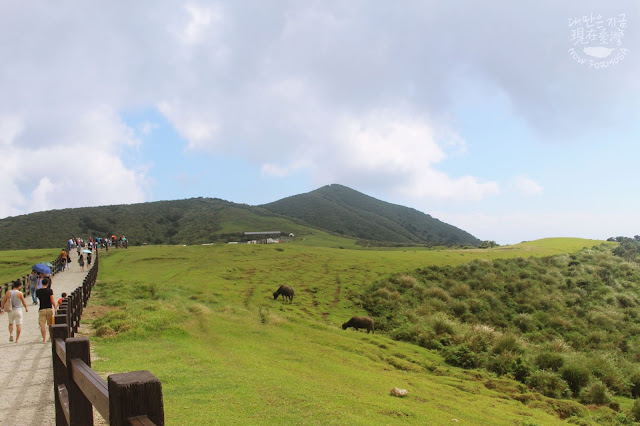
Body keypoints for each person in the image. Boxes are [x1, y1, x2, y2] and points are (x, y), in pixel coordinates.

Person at [36, 277, 56, 343]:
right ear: (47, 283)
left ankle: (44, 339)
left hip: (42, 309)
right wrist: (55, 306)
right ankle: (50, 337)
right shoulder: (50, 291)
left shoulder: (38, 291)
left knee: (42, 325)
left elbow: (39, 298)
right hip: (49, 308)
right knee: (50, 324)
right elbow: (52, 300)